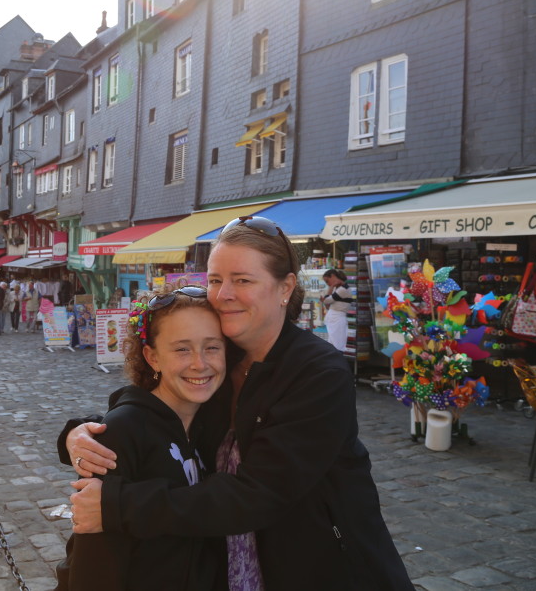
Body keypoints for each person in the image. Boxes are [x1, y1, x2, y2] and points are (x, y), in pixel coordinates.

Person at [61, 216, 413, 591]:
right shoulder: (222, 354)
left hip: (323, 567)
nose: (222, 294)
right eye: (215, 280)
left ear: (285, 287)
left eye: (242, 280)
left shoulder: (318, 372)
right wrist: (85, 433)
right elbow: (164, 410)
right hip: (232, 568)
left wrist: (118, 506)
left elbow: (258, 493)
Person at [56, 284, 226, 590]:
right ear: (152, 357)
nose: (200, 363)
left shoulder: (209, 423)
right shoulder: (121, 433)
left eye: (212, 347)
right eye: (182, 348)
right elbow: (94, 568)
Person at [321, 268, 353, 352]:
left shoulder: (343, 289)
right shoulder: (339, 289)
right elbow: (327, 304)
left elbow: (327, 300)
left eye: (327, 281)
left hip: (337, 319)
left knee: (337, 345)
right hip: (334, 318)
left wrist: (331, 287)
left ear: (333, 276)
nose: (328, 284)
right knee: (334, 344)